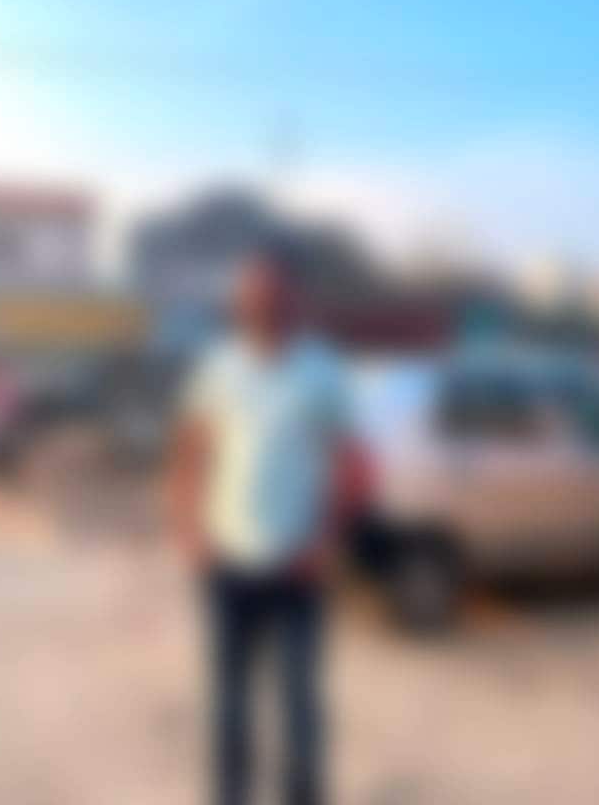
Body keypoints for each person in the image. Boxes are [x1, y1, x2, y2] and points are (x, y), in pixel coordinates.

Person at [169, 249, 371, 805]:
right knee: (229, 706)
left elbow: (351, 465)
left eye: (273, 297)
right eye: (251, 297)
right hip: (227, 563)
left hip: (297, 567)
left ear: (293, 301)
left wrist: (326, 544)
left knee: (300, 706)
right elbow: (189, 454)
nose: (262, 307)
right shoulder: (217, 366)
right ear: (239, 303)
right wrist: (191, 534)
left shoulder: (323, 369)